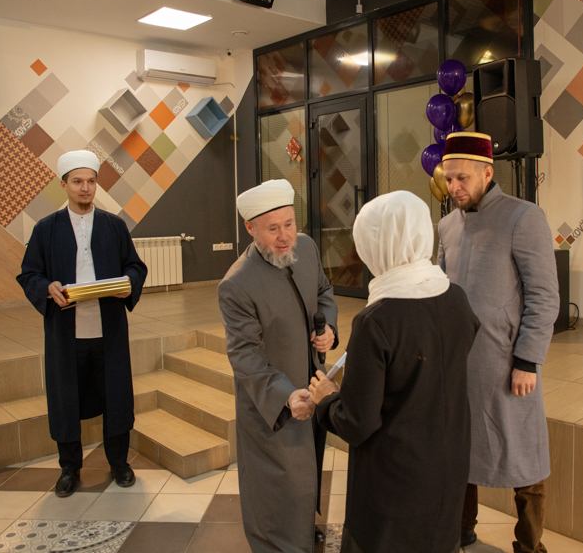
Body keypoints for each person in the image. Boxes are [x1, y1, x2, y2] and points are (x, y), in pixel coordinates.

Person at [308, 191, 480, 553]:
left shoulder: (376, 321)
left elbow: (358, 422)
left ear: (378, 245)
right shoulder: (457, 298)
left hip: (396, 478)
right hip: (448, 463)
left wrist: (326, 399)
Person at [436, 132, 560, 553]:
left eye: (463, 178)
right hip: (459, 362)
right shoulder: (447, 226)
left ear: (487, 173)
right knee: (460, 449)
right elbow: (440, 290)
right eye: (449, 178)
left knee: (525, 456)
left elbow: (544, 296)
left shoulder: (523, 217)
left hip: (507, 362)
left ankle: (530, 545)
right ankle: (461, 529)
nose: (454, 187)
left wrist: (527, 360)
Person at [17, 150, 147, 497]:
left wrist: (129, 283)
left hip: (109, 331)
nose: (85, 188)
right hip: (66, 333)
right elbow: (29, 274)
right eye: (77, 181)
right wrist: (47, 287)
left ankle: (119, 463)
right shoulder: (46, 229)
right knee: (66, 400)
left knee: (116, 397)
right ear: (64, 185)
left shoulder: (114, 226)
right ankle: (69, 469)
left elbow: (135, 266)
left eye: (90, 181)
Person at [218, 178, 338, 553]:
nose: (285, 237)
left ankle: (301, 529)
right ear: (250, 228)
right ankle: (277, 542)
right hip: (272, 401)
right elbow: (246, 356)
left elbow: (324, 291)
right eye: (273, 229)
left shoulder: (307, 247)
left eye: (289, 224)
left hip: (312, 385)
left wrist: (329, 329)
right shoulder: (237, 284)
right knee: (278, 481)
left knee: (307, 471)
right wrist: (285, 396)